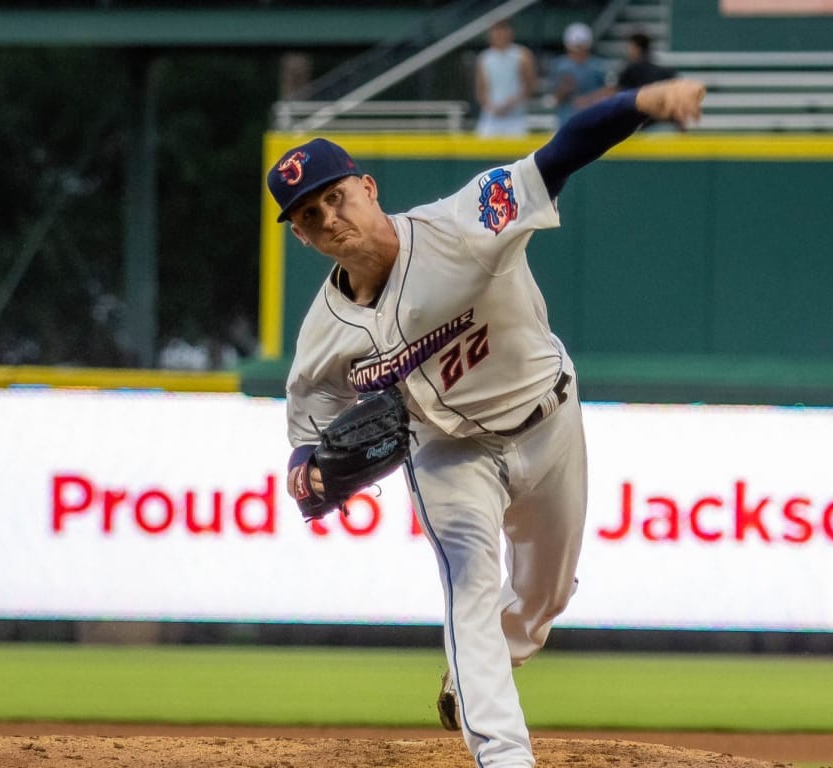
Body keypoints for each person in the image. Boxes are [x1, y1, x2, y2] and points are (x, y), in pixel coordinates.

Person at [266, 78, 706, 768]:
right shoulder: (326, 332)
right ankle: (503, 755)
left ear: (368, 187)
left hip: (548, 417)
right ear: (299, 235)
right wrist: (305, 470)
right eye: (310, 214)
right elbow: (307, 418)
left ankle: (484, 663)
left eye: (335, 196)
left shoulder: (462, 225)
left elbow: (559, 155)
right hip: (446, 453)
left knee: (543, 596)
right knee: (469, 581)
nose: (329, 217)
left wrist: (641, 106)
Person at [474, 20, 538, 137]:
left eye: (503, 30)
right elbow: (481, 90)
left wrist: (511, 104)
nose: (500, 35)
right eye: (496, 31)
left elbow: (531, 86)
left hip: (516, 118)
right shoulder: (484, 58)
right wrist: (491, 107)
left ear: (510, 32)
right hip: (490, 117)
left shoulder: (523, 55)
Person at [547, 22, 608, 128]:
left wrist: (588, 99)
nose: (579, 52)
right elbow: (554, 99)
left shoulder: (597, 65)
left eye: (581, 46)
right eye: (576, 47)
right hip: (566, 120)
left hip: (593, 118)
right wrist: (564, 88)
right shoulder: (559, 66)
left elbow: (609, 91)